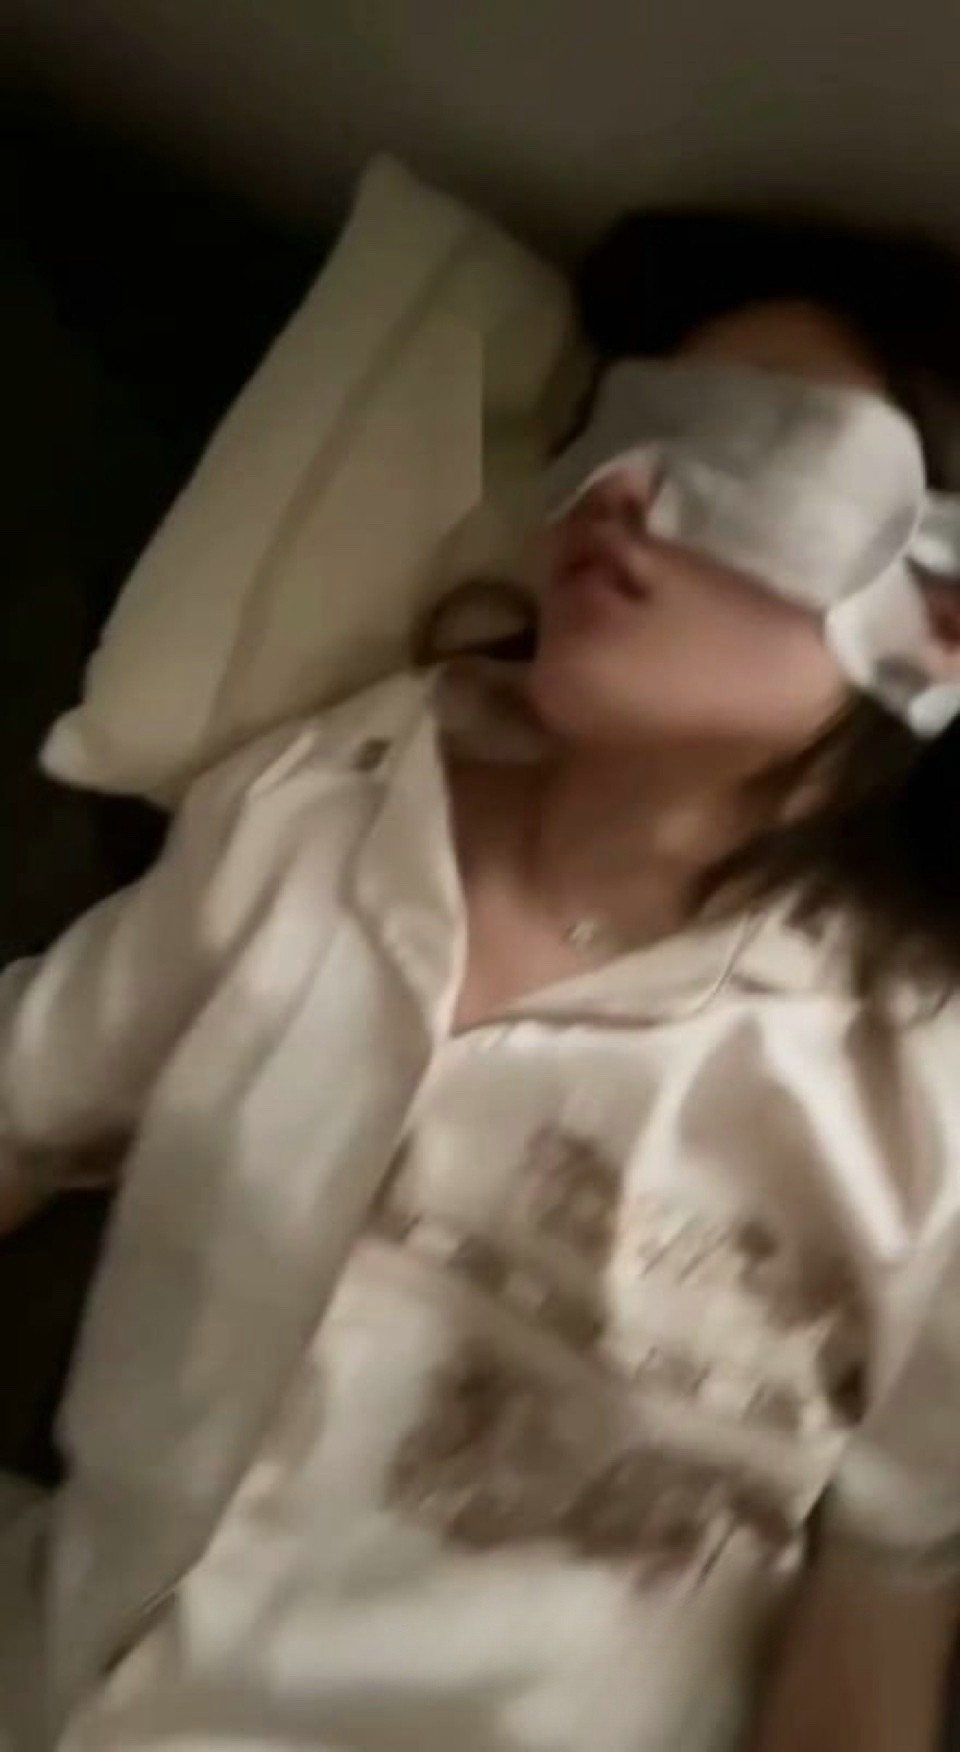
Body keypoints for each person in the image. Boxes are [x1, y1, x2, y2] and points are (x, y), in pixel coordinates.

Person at [2, 210, 960, 1752]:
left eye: (757, 453)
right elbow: (20, 1106)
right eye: (622, 426)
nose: (620, 488)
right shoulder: (325, 806)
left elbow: (868, 1653)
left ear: (943, 622)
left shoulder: (926, 1106)